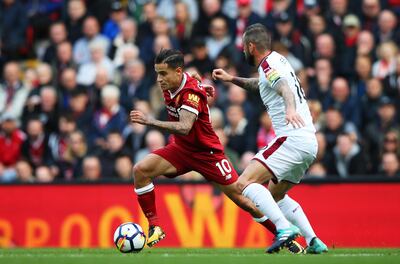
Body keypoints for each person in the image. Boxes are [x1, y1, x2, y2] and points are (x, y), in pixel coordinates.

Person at [130, 49, 303, 253]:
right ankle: (155, 227)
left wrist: (149, 121)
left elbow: (185, 126)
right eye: (157, 73)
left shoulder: (190, 94)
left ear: (177, 71)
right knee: (140, 170)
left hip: (207, 154)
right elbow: (192, 78)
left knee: (243, 200)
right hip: (182, 148)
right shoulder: (179, 80)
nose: (159, 79)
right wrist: (203, 86)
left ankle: (285, 236)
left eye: (163, 74)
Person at [212, 23, 328, 254]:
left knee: (244, 184)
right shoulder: (276, 61)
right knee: (276, 195)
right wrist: (231, 78)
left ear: (251, 46)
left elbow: (283, 86)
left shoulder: (270, 66)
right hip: (308, 142)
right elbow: (262, 85)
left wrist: (290, 109)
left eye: (244, 47)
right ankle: (314, 240)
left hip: (291, 138)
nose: (243, 51)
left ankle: (284, 228)